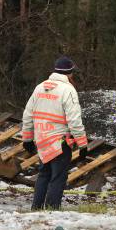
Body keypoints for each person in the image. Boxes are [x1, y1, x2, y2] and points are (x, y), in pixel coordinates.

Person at [21, 56, 88, 210]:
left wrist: (27, 139)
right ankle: (52, 210)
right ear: (70, 73)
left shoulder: (40, 87)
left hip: (42, 141)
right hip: (60, 142)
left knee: (43, 175)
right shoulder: (68, 90)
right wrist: (83, 144)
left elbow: (28, 114)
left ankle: (36, 209)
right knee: (58, 177)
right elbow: (74, 120)